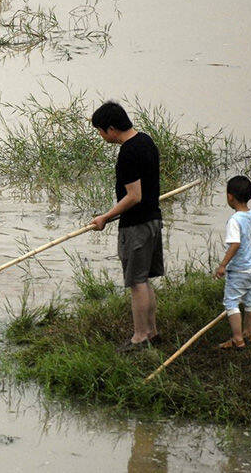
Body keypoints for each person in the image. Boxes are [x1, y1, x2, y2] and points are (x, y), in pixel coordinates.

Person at [90, 101, 162, 351]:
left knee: (136, 282)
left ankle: (140, 336)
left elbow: (134, 196)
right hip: (153, 219)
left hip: (137, 226)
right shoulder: (147, 141)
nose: (100, 136)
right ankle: (151, 331)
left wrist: (105, 217)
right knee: (144, 279)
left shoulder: (128, 152)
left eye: (100, 131)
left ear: (111, 129)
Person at [214, 175, 251, 350]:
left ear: (230, 197)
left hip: (239, 271)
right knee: (250, 300)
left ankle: (237, 338)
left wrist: (222, 265)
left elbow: (235, 244)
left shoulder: (234, 220)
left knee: (231, 303)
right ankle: (248, 333)